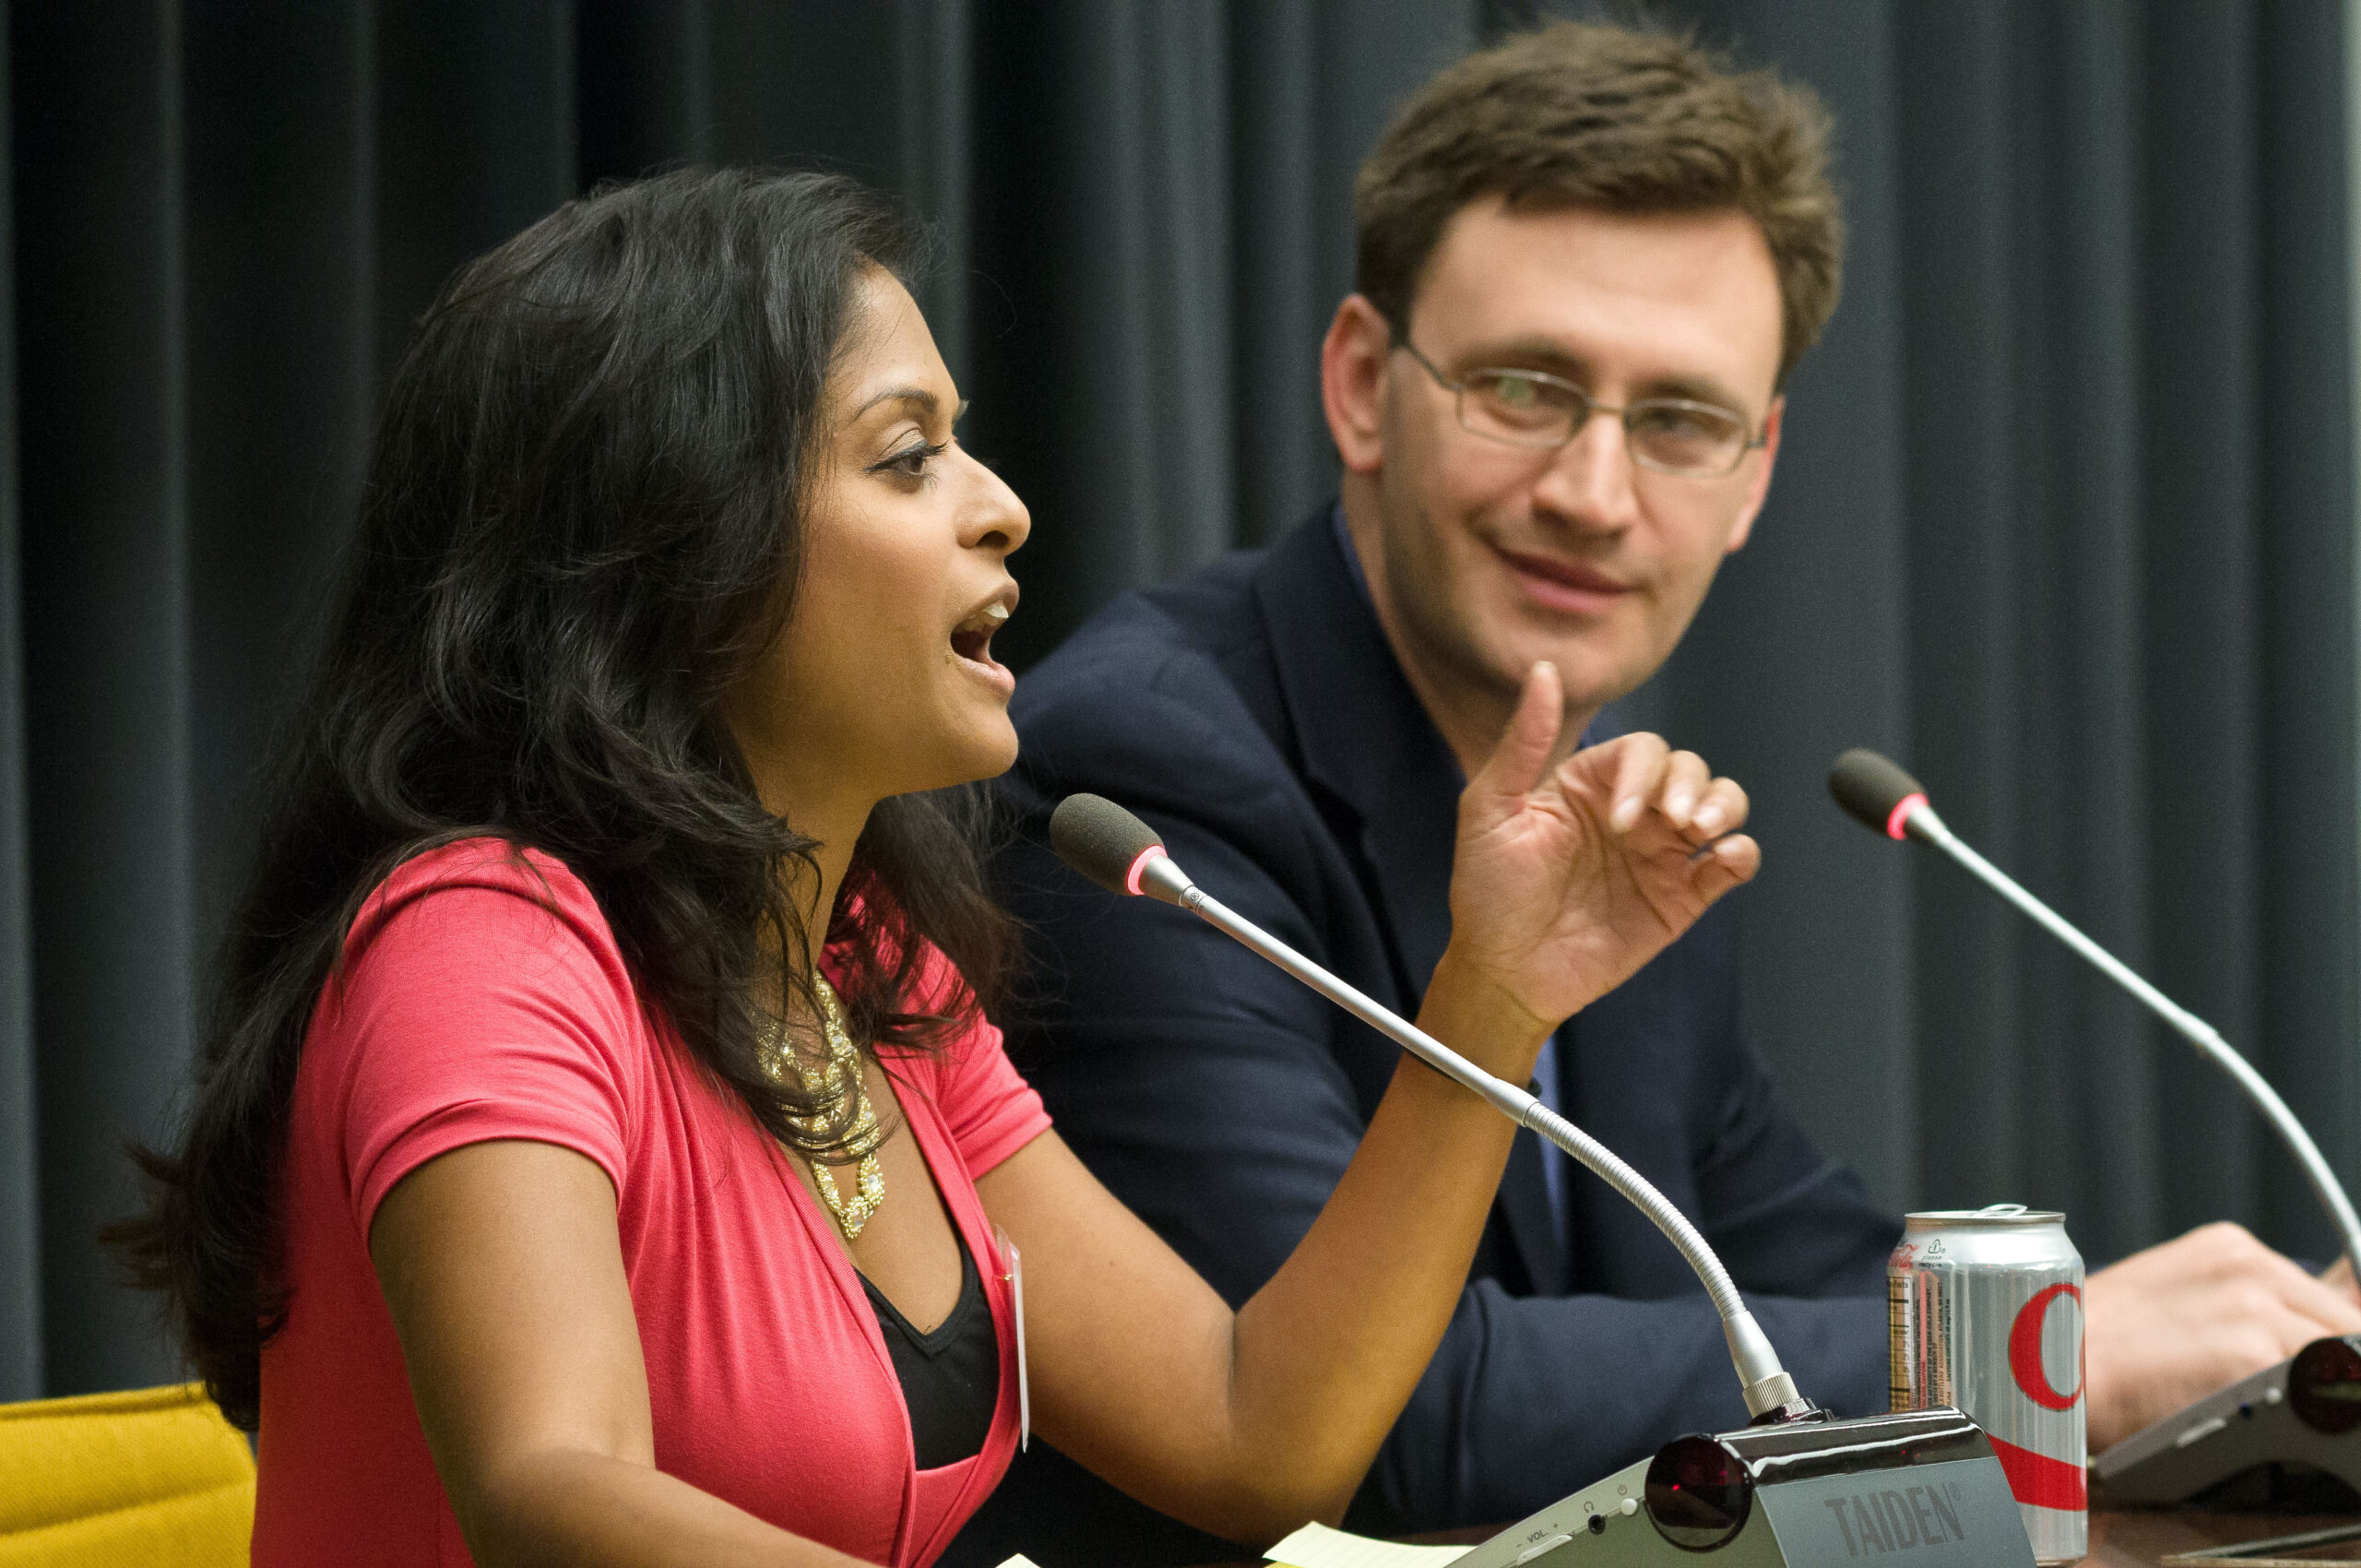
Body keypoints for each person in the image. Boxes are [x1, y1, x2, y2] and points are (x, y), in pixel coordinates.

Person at [109, 168, 1762, 1568]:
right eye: (907, 457)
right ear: (681, 540)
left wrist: (1492, 992)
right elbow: (553, 1488)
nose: (1005, 509)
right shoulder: (486, 938)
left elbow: (1260, 1430)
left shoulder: (872, 975)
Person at [953, 21, 2361, 1566]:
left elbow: (1789, 1271)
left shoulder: (1611, 794)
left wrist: (2240, 1352)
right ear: (1363, 384)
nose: (1593, 492)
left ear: (1755, 473)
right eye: (1526, 387)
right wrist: (2044, 1354)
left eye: (1678, 421)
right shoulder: (1141, 780)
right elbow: (1370, 1419)